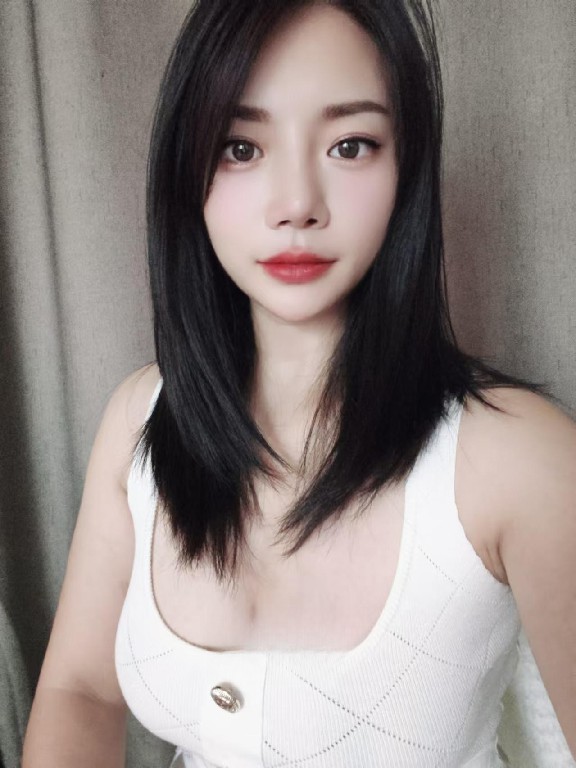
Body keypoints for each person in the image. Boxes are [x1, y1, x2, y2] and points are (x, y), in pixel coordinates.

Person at [22, 0, 576, 766]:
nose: (296, 206)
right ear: (187, 169)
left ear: (406, 166)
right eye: (241, 148)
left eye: (350, 145)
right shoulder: (139, 421)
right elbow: (78, 690)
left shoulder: (521, 458)